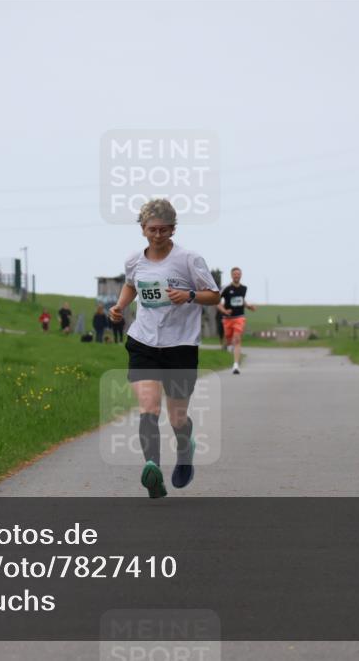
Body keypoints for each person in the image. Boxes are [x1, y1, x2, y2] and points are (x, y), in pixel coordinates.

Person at [108, 199, 219, 498]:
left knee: (177, 418)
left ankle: (185, 450)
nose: (158, 235)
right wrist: (120, 305)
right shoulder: (134, 261)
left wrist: (190, 294)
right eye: (152, 229)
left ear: (173, 229)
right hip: (143, 341)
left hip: (180, 345)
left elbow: (213, 295)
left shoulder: (189, 260)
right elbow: (132, 284)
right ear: (143, 229)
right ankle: (152, 469)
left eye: (164, 230)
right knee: (149, 407)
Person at [218, 267, 256, 374]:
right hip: (228, 319)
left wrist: (249, 306)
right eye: (235, 274)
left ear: (241, 275)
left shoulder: (244, 288)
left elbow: (241, 300)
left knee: (237, 339)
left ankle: (235, 365)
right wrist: (224, 311)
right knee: (230, 340)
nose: (236, 276)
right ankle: (229, 346)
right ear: (231, 275)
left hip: (239, 317)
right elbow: (217, 301)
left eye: (238, 274)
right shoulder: (226, 288)